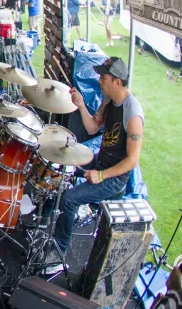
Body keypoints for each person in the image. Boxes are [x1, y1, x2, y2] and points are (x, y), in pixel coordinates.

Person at [43, 58, 143, 274]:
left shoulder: (132, 114)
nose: (99, 81)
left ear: (117, 81)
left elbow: (132, 161)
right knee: (59, 163)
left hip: (114, 179)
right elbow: (90, 128)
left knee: (69, 200)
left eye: (104, 77)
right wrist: (80, 105)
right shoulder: (108, 101)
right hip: (100, 161)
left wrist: (101, 175)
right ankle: (43, 219)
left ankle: (58, 255)